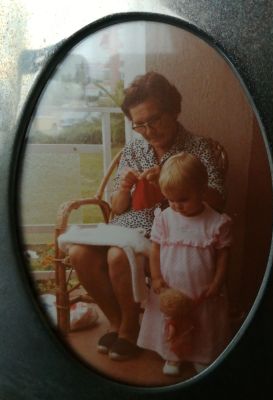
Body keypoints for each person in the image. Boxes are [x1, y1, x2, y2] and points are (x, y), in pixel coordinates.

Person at [69, 71, 225, 361]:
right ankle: (117, 323)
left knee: (118, 255)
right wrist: (125, 187)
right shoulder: (134, 147)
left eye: (154, 120)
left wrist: (170, 185)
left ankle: (129, 330)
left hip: (171, 230)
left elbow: (217, 197)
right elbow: (117, 208)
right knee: (79, 253)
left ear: (174, 110)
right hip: (125, 226)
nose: (148, 131)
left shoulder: (199, 147)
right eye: (139, 124)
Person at [137, 152, 232, 376]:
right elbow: (155, 249)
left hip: (202, 287)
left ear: (201, 190)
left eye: (183, 199)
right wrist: (156, 277)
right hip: (171, 285)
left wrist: (218, 282)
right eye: (171, 200)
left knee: (202, 322)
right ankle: (173, 355)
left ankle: (202, 355)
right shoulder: (165, 218)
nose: (176, 206)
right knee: (171, 317)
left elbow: (224, 256)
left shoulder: (217, 222)